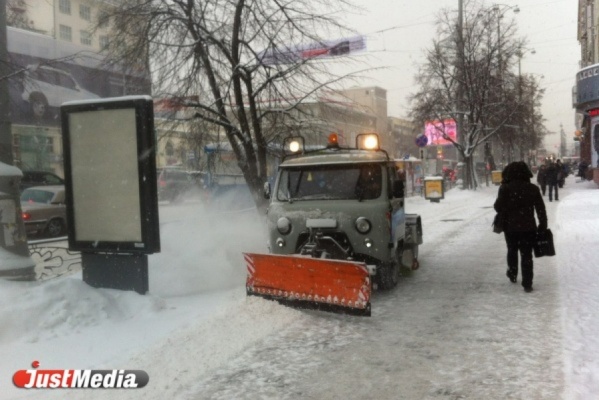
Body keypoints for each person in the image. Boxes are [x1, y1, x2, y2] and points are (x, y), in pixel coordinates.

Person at [494, 161, 547, 293]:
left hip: (510, 227)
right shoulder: (533, 188)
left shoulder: (505, 188)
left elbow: (497, 207)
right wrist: (543, 224)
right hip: (528, 226)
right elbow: (540, 209)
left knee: (512, 249)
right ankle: (527, 283)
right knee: (527, 254)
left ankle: (512, 273)